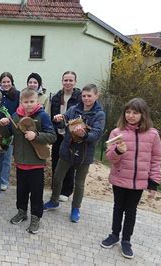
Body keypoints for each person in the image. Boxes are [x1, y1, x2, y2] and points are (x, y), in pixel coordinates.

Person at [100, 98, 161, 259]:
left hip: (139, 181)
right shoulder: (117, 133)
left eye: (135, 112)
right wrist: (118, 152)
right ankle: (114, 235)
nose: (131, 116)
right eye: (128, 112)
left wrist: (153, 182)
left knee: (131, 211)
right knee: (118, 207)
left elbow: (156, 159)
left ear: (143, 114)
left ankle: (126, 241)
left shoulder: (152, 134)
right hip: (120, 178)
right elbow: (110, 158)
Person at [44, 84, 105, 223]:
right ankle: (54, 201)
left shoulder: (99, 114)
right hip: (67, 149)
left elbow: (96, 134)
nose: (86, 98)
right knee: (58, 177)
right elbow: (63, 124)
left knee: (79, 183)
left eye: (89, 96)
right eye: (84, 96)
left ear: (96, 96)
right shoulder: (74, 109)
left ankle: (75, 208)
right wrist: (59, 120)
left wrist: (83, 135)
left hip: (85, 153)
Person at [1, 88, 56, 234]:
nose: (29, 104)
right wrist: (4, 125)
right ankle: (22, 211)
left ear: (37, 101)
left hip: (36, 162)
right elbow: (8, 135)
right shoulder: (15, 116)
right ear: (21, 102)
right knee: (21, 190)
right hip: (20, 161)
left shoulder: (42, 116)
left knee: (36, 193)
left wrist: (36, 135)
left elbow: (52, 136)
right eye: (26, 102)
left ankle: (35, 217)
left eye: (32, 101)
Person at [50, 71, 82, 202]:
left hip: (72, 134)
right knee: (56, 160)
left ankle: (67, 191)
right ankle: (56, 188)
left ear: (75, 82)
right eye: (65, 80)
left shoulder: (79, 97)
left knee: (70, 163)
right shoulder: (57, 97)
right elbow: (52, 114)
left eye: (70, 80)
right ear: (62, 81)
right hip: (58, 133)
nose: (68, 83)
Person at [0, 72, 20, 191]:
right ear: (0, 83)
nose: (6, 84)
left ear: (12, 82)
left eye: (8, 82)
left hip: (10, 130)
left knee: (6, 157)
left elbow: (19, 111)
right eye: (3, 82)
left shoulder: (17, 95)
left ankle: (4, 181)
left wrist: (11, 122)